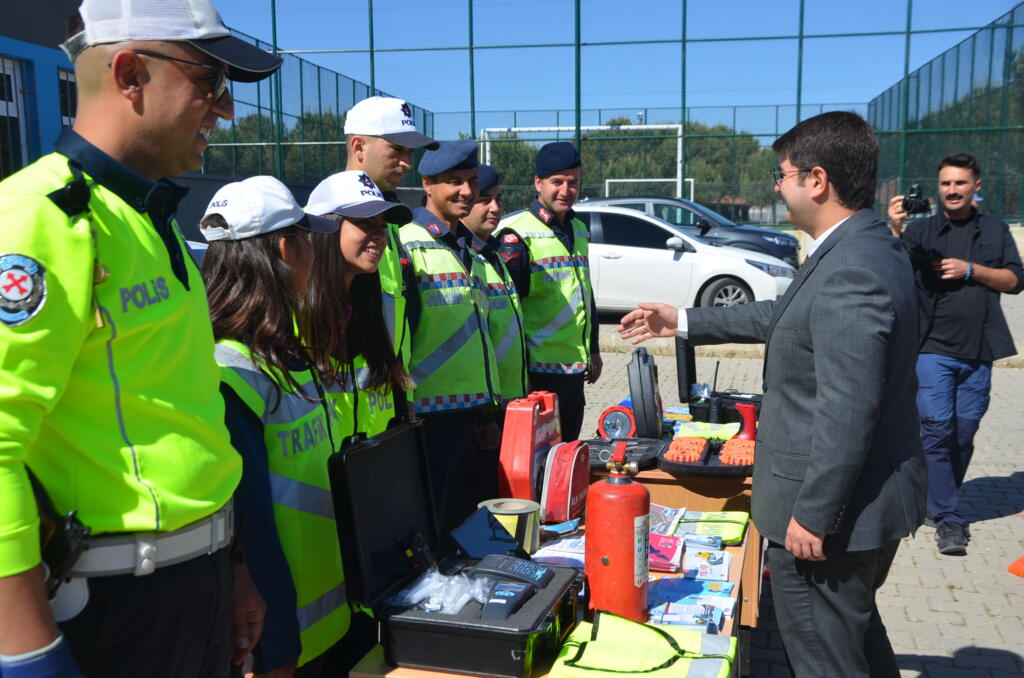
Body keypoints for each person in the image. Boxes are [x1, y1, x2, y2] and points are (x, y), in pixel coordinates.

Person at [0, 1, 280, 676]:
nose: (225, 109)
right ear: (130, 75)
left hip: (192, 584)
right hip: (115, 605)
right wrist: (27, 651)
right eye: (209, 82)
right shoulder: (41, 217)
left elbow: (183, 417)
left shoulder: (148, 217)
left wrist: (231, 562)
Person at [620, 111, 926, 678]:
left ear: (817, 180)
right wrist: (681, 320)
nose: (777, 188)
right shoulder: (860, 247)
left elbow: (847, 408)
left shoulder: (851, 267)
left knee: (824, 658)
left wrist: (814, 514)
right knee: (856, 638)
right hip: (864, 503)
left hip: (831, 518)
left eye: (782, 175)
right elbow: (785, 317)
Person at [202, 177, 345, 678]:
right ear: (285, 248)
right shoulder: (231, 372)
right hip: (279, 638)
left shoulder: (281, 350)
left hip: (322, 619)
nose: (315, 255)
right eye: (307, 239)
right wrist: (276, 647)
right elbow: (250, 523)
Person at [887, 152, 1023, 555]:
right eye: (945, 183)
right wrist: (894, 227)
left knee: (963, 436)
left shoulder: (995, 230)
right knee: (937, 430)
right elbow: (892, 267)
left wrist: (970, 270)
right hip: (932, 348)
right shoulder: (922, 230)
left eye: (960, 183)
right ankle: (949, 518)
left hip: (980, 349)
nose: (952, 190)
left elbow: (1015, 280)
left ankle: (934, 499)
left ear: (976, 186)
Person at [398, 140, 501, 536]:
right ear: (427, 184)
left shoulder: (467, 248)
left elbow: (479, 335)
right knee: (433, 521)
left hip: (470, 412)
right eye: (454, 181)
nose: (466, 190)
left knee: (465, 518)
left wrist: (486, 413)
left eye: (472, 181)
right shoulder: (408, 243)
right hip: (430, 417)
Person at [496, 142, 601, 441]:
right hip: (537, 372)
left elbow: (585, 293)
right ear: (538, 183)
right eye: (557, 182)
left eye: (573, 182)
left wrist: (593, 349)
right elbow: (508, 314)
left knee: (566, 453)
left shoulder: (578, 227)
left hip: (574, 369)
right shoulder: (516, 233)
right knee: (537, 456)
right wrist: (518, 375)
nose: (566, 191)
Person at [305, 169, 414, 439]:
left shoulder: (372, 307)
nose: (379, 236)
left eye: (382, 226)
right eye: (365, 223)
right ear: (326, 227)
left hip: (375, 459)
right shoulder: (294, 312)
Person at [343, 96, 438, 375]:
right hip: (340, 396)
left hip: (386, 394)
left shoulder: (392, 220)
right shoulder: (321, 221)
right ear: (358, 146)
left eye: (410, 152)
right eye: (396, 150)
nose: (407, 163)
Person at [462, 164, 528, 406]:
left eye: (498, 199)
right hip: (483, 402)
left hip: (510, 395)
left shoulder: (495, 253)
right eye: (484, 200)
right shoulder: (463, 257)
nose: (495, 208)